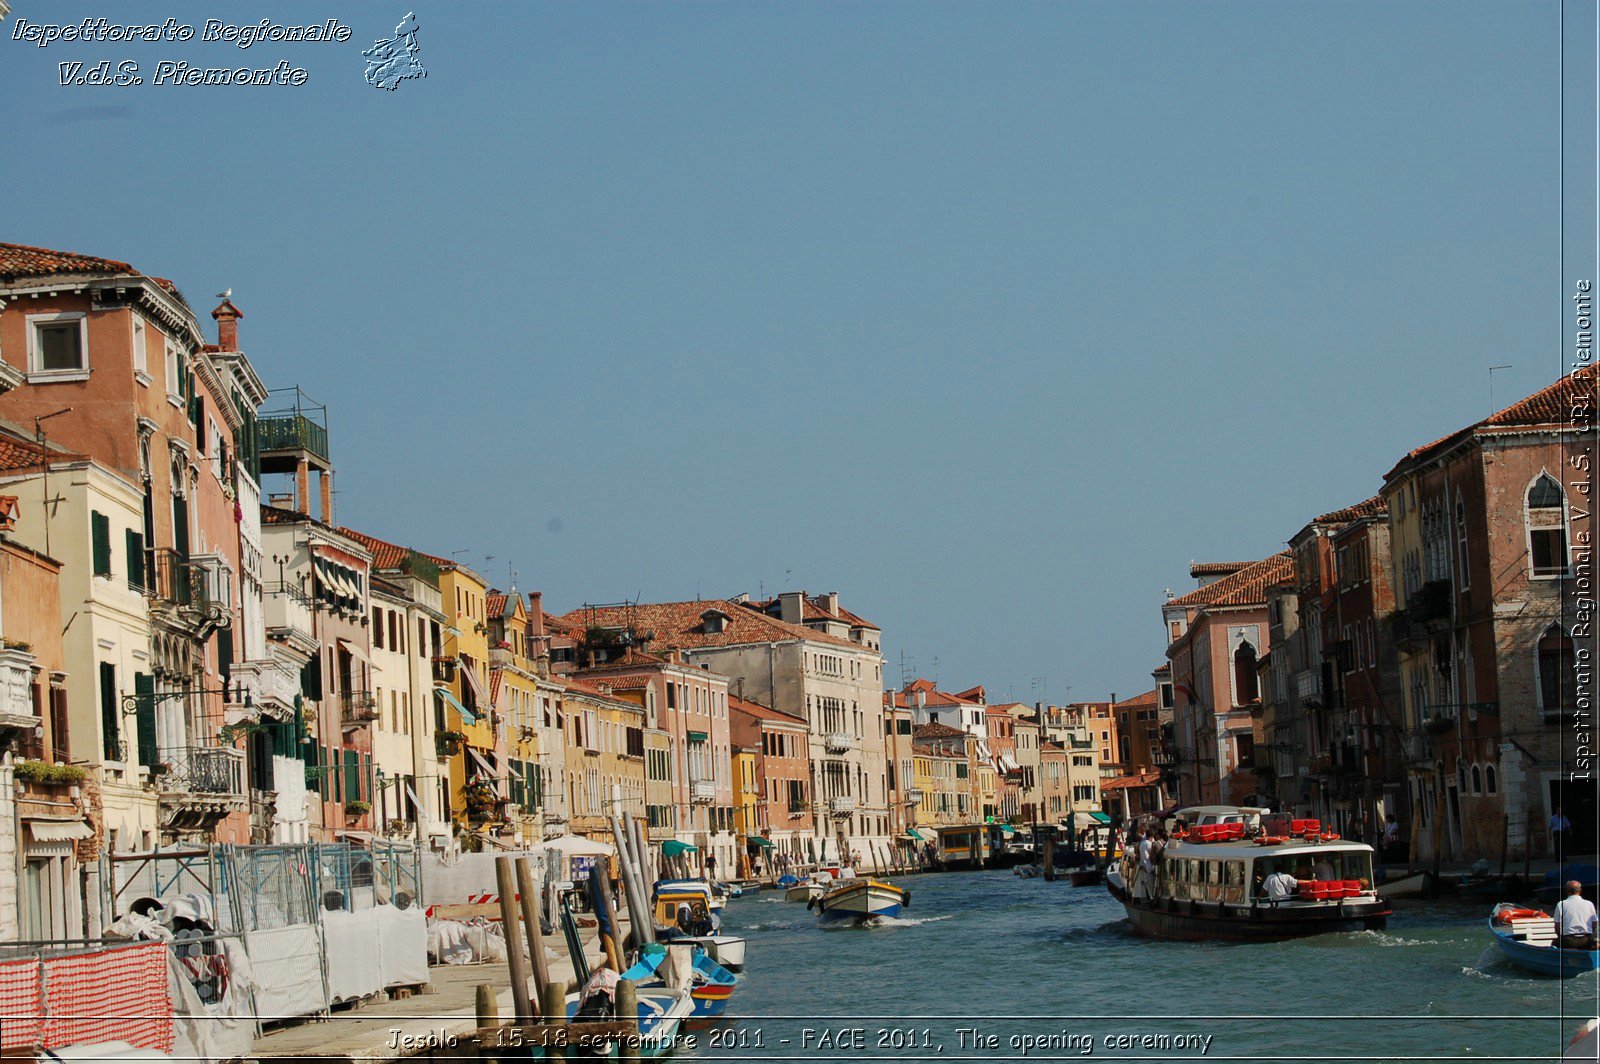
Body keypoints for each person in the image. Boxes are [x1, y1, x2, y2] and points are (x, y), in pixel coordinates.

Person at [1554, 880, 1598, 951]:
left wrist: (1561, 936)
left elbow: (1557, 926)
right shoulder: (1589, 904)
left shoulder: (1560, 904)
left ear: (1567, 891)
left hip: (1568, 940)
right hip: (1586, 940)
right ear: (1580, 890)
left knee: (1554, 943)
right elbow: (1594, 924)